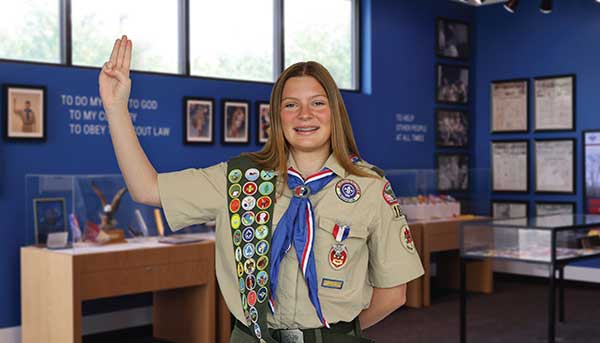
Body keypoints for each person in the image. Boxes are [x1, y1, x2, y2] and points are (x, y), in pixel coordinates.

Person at [99, 35, 424, 343]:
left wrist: (332, 336)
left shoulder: (370, 187)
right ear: (276, 117)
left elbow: (394, 293)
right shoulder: (239, 180)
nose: (305, 114)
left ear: (334, 112)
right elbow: (146, 189)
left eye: (318, 103)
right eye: (291, 105)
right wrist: (116, 110)